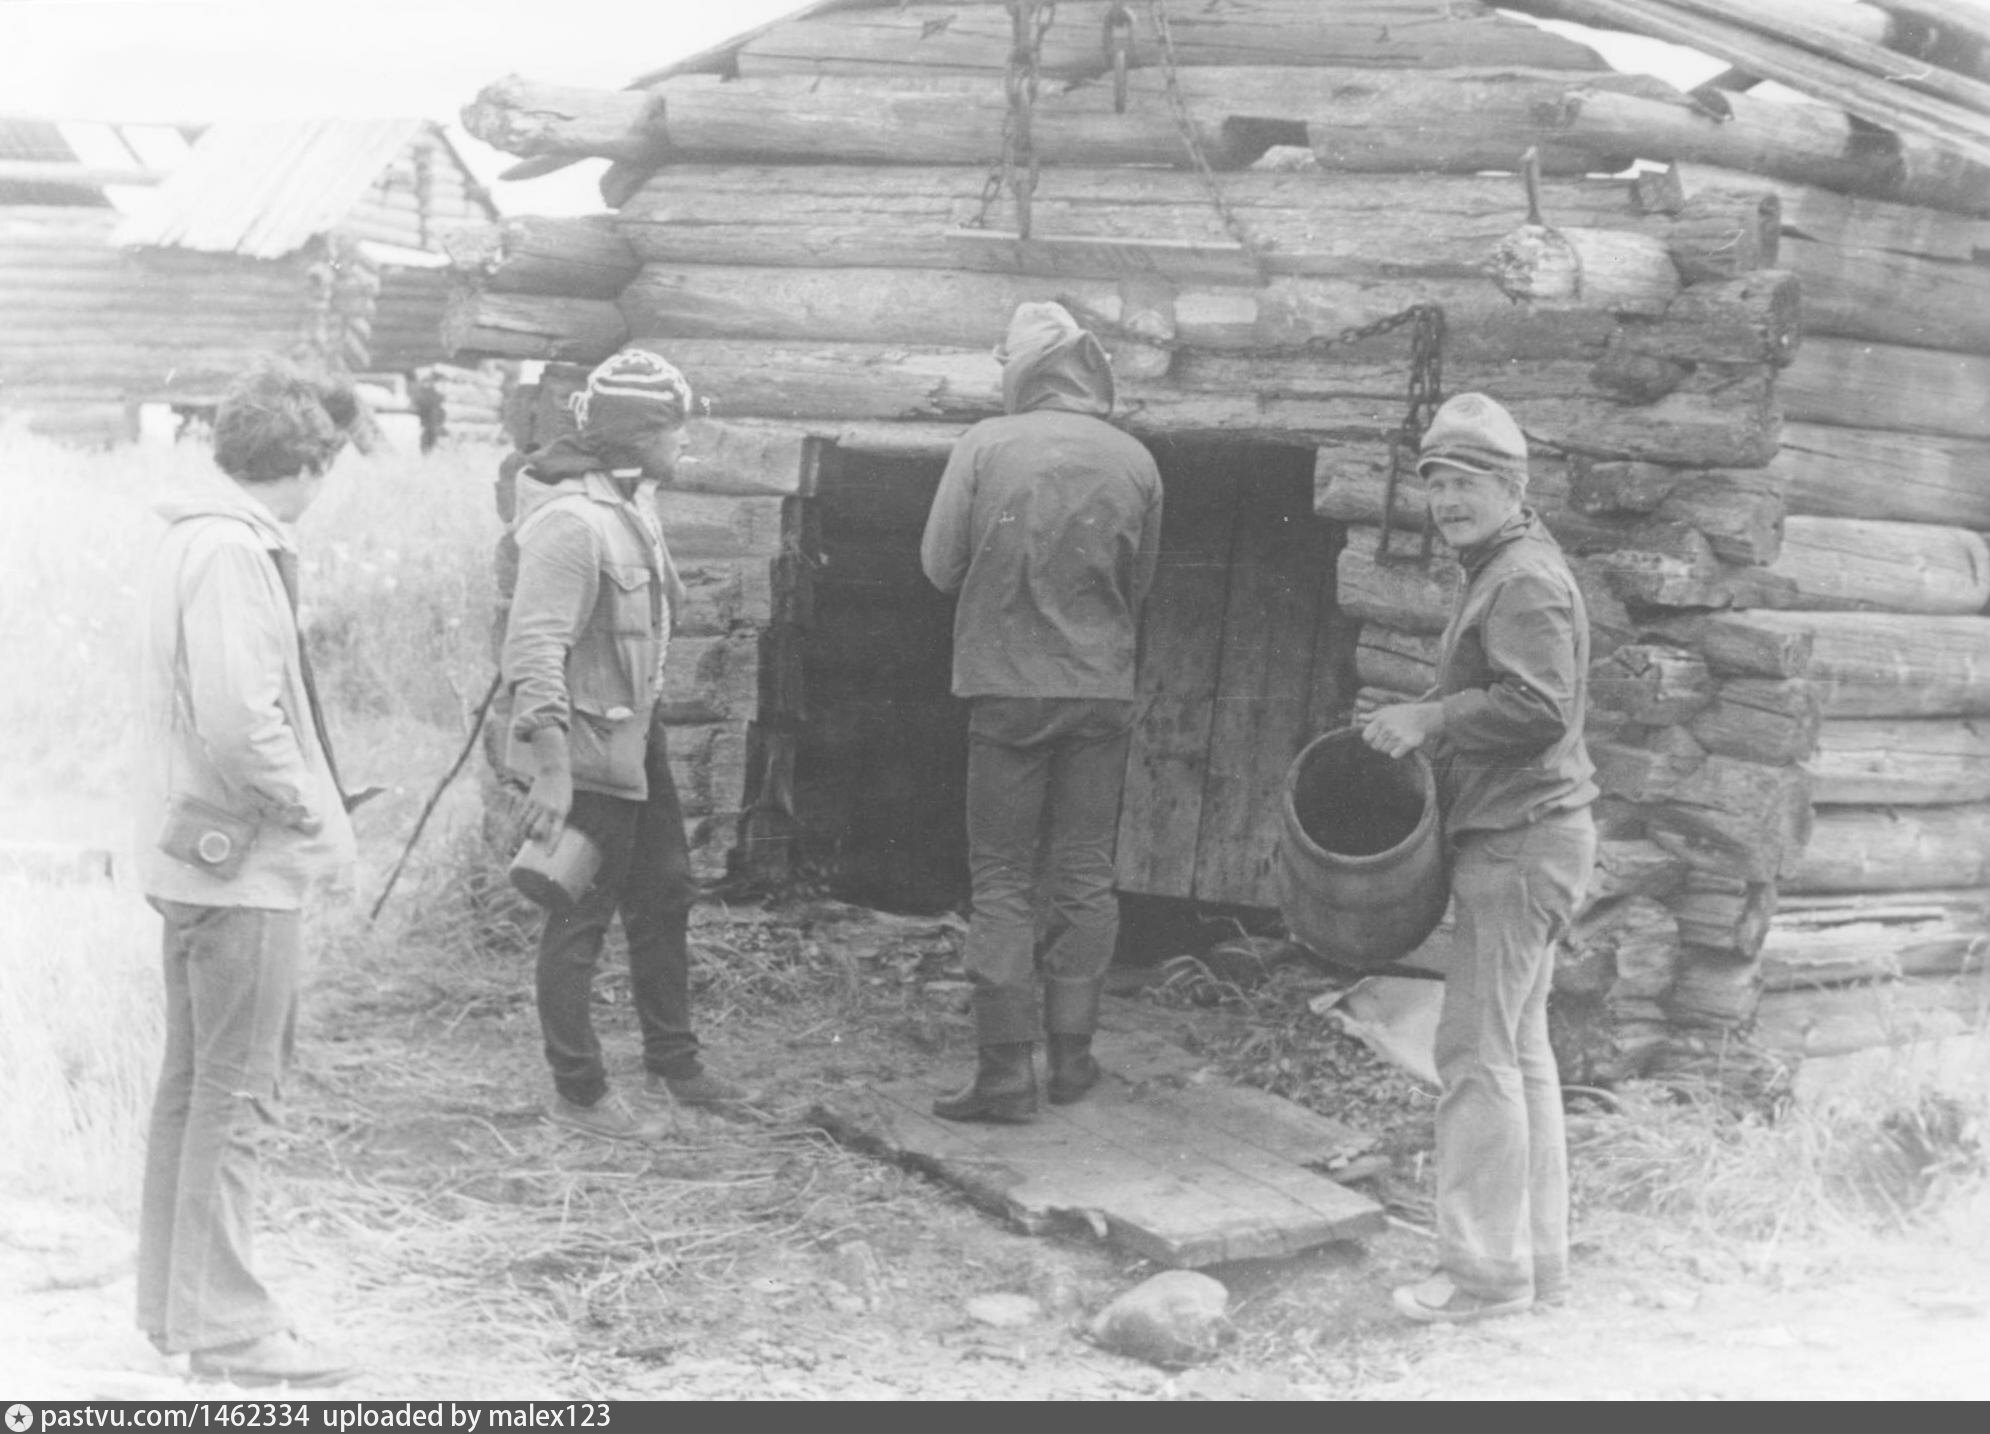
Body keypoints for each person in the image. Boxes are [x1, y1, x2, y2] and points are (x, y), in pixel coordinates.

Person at [134, 358, 365, 1386]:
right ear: (309, 462)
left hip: (196, 855)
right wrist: (307, 807)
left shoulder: (191, 535)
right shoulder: (233, 550)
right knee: (237, 1099)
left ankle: (182, 1311)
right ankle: (229, 1332)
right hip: (241, 867)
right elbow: (239, 721)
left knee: (195, 1092)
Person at [1359, 391, 1598, 1323]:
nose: (1448, 501)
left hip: (1521, 838)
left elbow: (1539, 707)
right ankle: (1536, 1263)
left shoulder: (1523, 579)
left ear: (1513, 488)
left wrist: (1432, 718)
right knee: (1518, 1052)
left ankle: (1482, 1278)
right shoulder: (1502, 566)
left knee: (1475, 1052)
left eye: (1468, 483)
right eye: (1437, 484)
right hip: (1528, 835)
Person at [919, 301, 1164, 1122]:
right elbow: (1140, 585)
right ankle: (1071, 1062)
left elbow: (940, 567)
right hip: (1099, 689)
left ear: (1023, 370)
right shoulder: (1136, 459)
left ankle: (1003, 1076)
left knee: (1002, 878)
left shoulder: (985, 444)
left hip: (1006, 687)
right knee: (1085, 872)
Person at [502, 346, 751, 1140]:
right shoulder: (572, 523)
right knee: (578, 914)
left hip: (635, 736)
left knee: (665, 891)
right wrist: (551, 773)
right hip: (583, 750)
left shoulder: (627, 501)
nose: (685, 443)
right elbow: (533, 650)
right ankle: (580, 1094)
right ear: (639, 435)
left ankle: (675, 1063)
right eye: (675, 429)